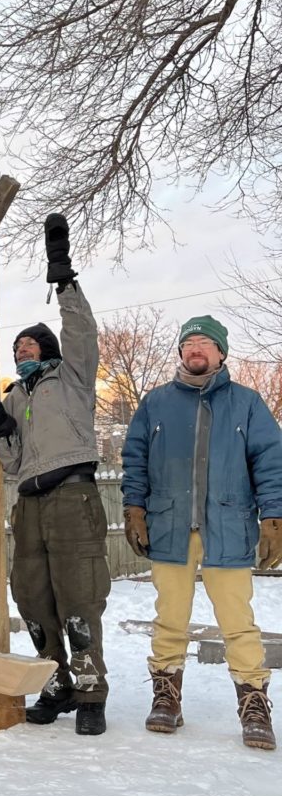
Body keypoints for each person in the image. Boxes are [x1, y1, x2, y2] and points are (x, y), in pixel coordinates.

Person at [0, 213, 110, 736]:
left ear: (46, 349)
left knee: (79, 597)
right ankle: (57, 682)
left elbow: (82, 332)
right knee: (31, 596)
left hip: (73, 495)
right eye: (16, 347)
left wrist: (64, 278)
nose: (20, 350)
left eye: (27, 344)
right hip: (28, 503)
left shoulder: (71, 378)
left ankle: (91, 691)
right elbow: (10, 462)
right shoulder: (17, 395)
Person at [122, 316, 282, 750]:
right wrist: (134, 506)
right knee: (169, 617)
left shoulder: (247, 403)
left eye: (205, 343)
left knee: (238, 623)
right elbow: (134, 456)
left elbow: (270, 461)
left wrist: (274, 517)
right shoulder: (155, 403)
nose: (196, 349)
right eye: (189, 342)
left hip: (227, 526)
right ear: (180, 353)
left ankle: (253, 705)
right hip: (170, 524)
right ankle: (166, 697)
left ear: (221, 354)